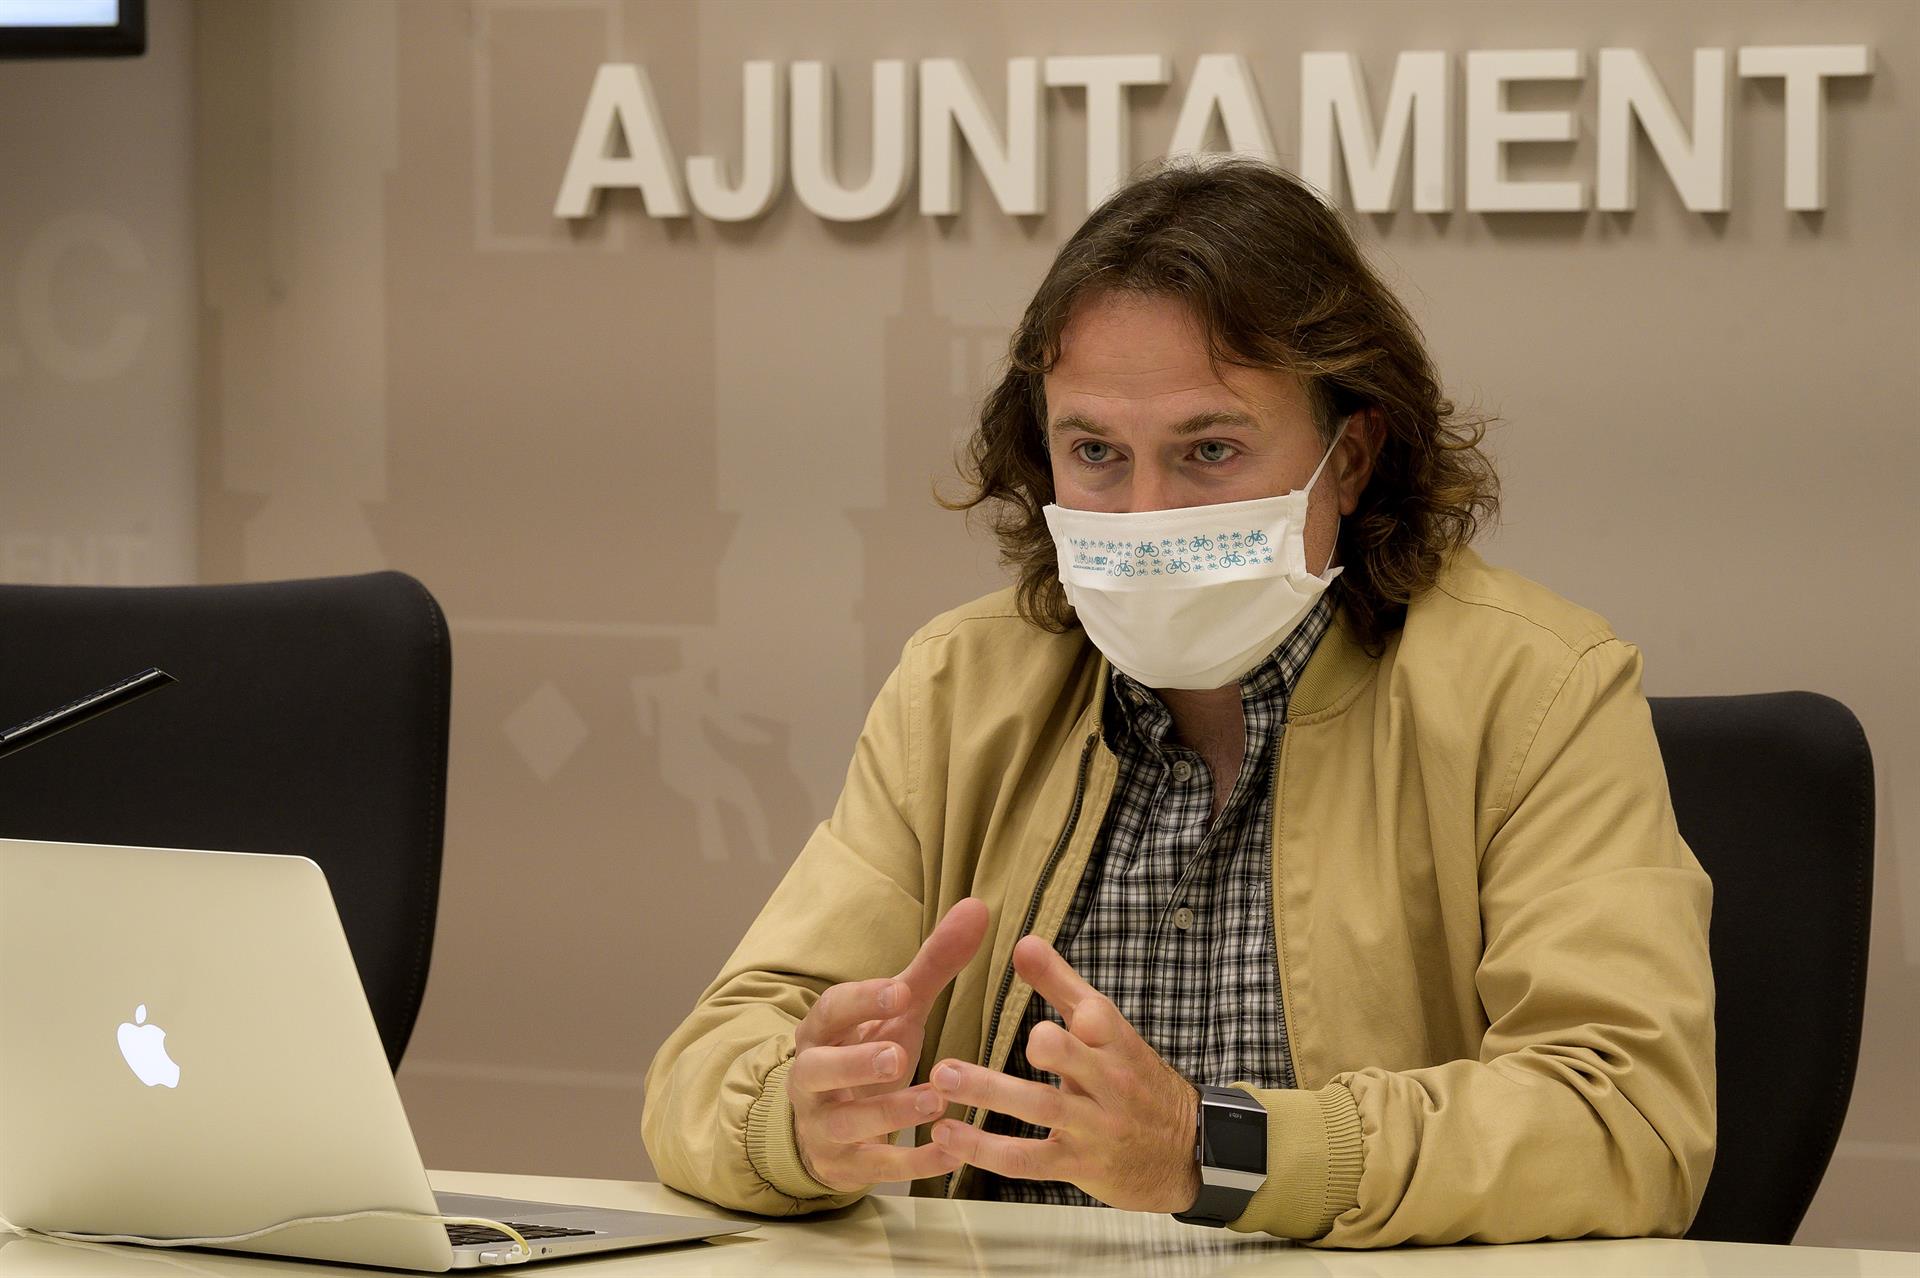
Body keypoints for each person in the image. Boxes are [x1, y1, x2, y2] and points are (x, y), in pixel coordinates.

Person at [641, 158, 1715, 1247]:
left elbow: (1626, 1122)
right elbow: (709, 1066)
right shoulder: (961, 688)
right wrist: (799, 1117)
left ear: (1351, 455)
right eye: (1096, 452)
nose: (1145, 511)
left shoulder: (1538, 688)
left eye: (1209, 450)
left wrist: (1212, 1147)